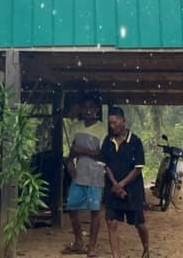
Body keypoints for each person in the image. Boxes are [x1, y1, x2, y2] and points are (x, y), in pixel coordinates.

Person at [100, 107, 149, 258]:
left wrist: (121, 185)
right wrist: (115, 185)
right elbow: (106, 166)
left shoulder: (135, 142)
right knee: (111, 222)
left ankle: (146, 248)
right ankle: (117, 255)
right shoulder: (107, 142)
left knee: (139, 223)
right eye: (110, 123)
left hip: (133, 191)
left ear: (123, 122)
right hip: (113, 190)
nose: (112, 126)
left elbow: (138, 169)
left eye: (115, 122)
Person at [62, 96, 106, 257]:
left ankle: (92, 246)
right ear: (81, 109)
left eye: (91, 107)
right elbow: (72, 150)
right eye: (85, 107)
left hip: (95, 176)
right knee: (72, 208)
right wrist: (70, 163)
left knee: (95, 211)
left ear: (96, 110)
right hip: (79, 174)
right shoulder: (76, 126)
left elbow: (102, 155)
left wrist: (83, 151)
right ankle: (79, 241)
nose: (88, 110)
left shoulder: (102, 129)